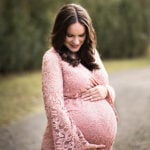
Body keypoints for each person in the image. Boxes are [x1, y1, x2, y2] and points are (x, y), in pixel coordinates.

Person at [41, 3, 118, 150]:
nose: (76, 41)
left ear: (87, 33)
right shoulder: (52, 58)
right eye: (70, 35)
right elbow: (54, 107)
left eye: (81, 35)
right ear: (60, 32)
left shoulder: (92, 52)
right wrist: (78, 143)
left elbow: (106, 86)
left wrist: (106, 91)